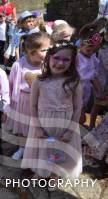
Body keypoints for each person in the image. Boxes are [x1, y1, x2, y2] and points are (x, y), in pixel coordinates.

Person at [21, 40, 82, 190]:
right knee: (44, 149)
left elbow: (78, 107)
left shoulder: (74, 82)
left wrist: (70, 130)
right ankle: (42, 172)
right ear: (48, 58)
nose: (60, 63)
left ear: (72, 62)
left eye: (66, 59)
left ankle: (55, 175)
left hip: (64, 124)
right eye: (57, 58)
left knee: (59, 150)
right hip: (43, 123)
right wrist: (37, 127)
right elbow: (33, 105)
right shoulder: (39, 81)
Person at [8, 32, 51, 160]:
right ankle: (22, 147)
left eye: (49, 48)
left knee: (38, 126)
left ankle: (37, 148)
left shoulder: (48, 64)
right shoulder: (19, 65)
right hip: (24, 101)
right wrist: (9, 105)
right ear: (31, 52)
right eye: (44, 50)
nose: (48, 52)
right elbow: (11, 84)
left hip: (41, 102)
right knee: (23, 126)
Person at [77, 23, 103, 125]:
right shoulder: (76, 58)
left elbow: (94, 77)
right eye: (89, 50)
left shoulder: (93, 58)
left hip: (86, 89)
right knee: (79, 114)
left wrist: (99, 90)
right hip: (76, 88)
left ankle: (77, 131)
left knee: (82, 110)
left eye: (94, 50)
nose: (91, 52)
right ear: (81, 45)